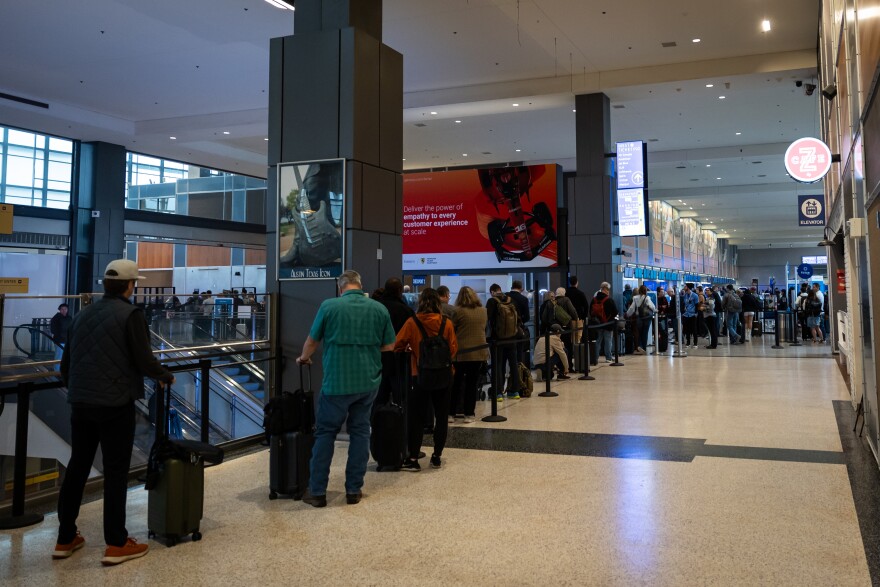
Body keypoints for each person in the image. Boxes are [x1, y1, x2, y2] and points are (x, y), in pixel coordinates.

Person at [54, 259, 174, 565]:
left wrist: (79, 389)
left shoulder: (83, 314)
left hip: (80, 402)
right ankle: (116, 543)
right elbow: (144, 359)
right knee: (116, 471)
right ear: (131, 285)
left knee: (78, 466)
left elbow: (65, 365)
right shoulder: (131, 314)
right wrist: (164, 375)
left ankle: (65, 538)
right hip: (115, 403)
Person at [296, 270, 395, 507]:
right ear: (360, 286)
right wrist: (367, 351)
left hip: (336, 383)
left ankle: (318, 492)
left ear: (340, 287)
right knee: (360, 433)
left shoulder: (329, 307)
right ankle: (353, 490)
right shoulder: (378, 309)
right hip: (368, 382)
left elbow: (312, 341)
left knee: (325, 433)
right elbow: (390, 345)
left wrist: (303, 358)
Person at [394, 288, 458, 470]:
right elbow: (453, 349)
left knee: (417, 418)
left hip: (419, 375)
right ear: (438, 303)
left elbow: (398, 345)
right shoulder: (446, 323)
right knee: (442, 417)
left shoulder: (412, 322)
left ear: (420, 302)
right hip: (444, 376)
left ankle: (413, 458)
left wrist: (411, 349)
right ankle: (436, 456)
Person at [450, 286, 488, 424]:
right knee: (472, 384)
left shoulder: (457, 311)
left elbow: (452, 329)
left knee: (456, 383)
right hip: (478, 352)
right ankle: (469, 414)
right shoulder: (483, 311)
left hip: (460, 352)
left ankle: (451, 413)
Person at [486, 283, 521, 400]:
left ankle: (498, 392)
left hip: (498, 339)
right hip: (512, 338)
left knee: (497, 365)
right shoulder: (511, 300)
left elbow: (488, 320)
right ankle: (514, 391)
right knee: (513, 364)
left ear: (492, 292)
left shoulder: (492, 302)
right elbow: (518, 319)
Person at [589, 282, 618, 362]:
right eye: (608, 289)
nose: (609, 291)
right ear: (604, 289)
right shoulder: (609, 300)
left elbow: (590, 311)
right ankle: (608, 358)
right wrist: (611, 318)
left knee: (598, 341)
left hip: (597, 324)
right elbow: (615, 311)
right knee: (608, 341)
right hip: (608, 324)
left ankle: (595, 357)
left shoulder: (594, 299)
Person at [625, 285, 656, 355]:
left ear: (639, 291)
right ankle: (644, 348)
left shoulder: (635, 298)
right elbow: (652, 307)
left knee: (638, 333)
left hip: (639, 318)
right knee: (645, 333)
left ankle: (639, 347)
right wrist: (655, 311)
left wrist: (627, 314)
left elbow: (632, 308)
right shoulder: (647, 298)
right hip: (647, 318)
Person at [553, 287, 578, 370]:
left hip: (555, 328)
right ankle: (568, 366)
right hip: (566, 326)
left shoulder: (553, 301)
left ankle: (559, 366)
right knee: (567, 346)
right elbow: (573, 311)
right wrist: (575, 318)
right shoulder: (566, 300)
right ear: (564, 293)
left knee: (557, 347)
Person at [566, 276, 589, 344]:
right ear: (577, 282)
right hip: (579, 317)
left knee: (572, 336)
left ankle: (572, 351)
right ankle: (577, 351)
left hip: (569, 318)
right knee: (578, 336)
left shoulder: (566, 293)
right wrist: (584, 317)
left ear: (570, 283)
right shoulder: (580, 293)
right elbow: (586, 306)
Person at [50, 303, 73, 368]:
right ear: (59, 310)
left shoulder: (69, 318)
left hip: (66, 340)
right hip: (59, 340)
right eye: (62, 309)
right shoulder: (56, 318)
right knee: (59, 357)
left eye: (65, 309)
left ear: (67, 309)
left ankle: (62, 371)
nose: (64, 310)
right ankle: (57, 371)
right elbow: (53, 329)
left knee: (64, 357)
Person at [680, 284, 699, 348]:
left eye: (685, 286)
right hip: (686, 314)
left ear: (688, 287)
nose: (684, 287)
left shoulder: (695, 295)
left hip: (692, 314)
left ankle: (695, 343)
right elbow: (683, 304)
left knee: (694, 329)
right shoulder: (684, 295)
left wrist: (696, 313)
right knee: (687, 329)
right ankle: (688, 343)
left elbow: (697, 305)